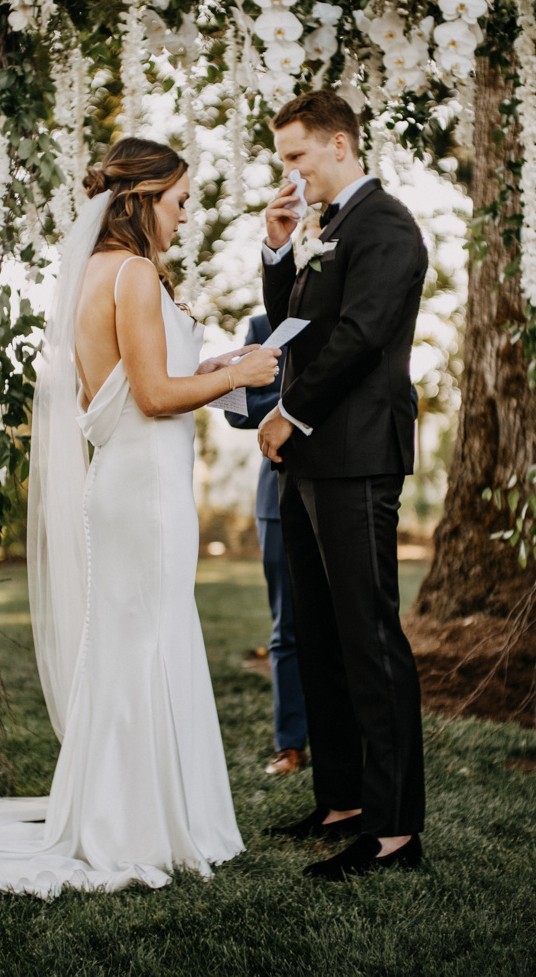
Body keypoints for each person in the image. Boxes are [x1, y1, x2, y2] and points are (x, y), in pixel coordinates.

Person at [0, 138, 281, 895]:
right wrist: (245, 371)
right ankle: (137, 825)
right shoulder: (136, 275)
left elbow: (118, 392)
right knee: (145, 640)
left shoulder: (96, 272)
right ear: (144, 197)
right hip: (145, 493)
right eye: (180, 202)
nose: (186, 217)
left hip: (123, 481)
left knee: (131, 643)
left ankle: (120, 813)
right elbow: (152, 398)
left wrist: (210, 374)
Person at [257, 89, 427, 881]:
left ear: (340, 144)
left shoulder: (385, 224)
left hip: (356, 453)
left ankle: (393, 832)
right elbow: (295, 327)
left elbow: (360, 338)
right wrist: (280, 250)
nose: (289, 171)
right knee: (320, 633)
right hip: (310, 464)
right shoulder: (326, 230)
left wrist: (288, 414)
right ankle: (343, 801)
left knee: (368, 633)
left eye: (297, 155)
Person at [224, 313, 308, 776]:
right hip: (277, 492)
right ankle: (290, 743)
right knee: (286, 623)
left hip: (339, 485)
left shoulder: (347, 310)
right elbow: (238, 408)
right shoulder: (262, 326)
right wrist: (289, 406)